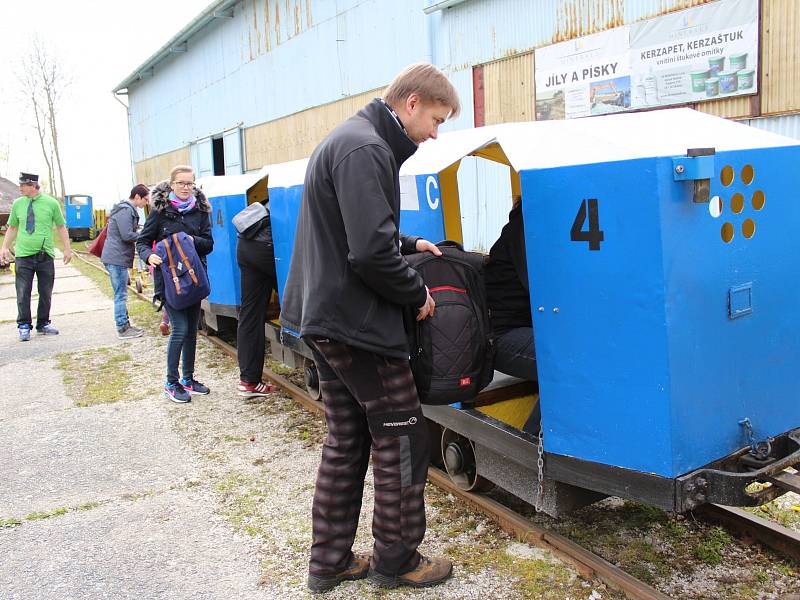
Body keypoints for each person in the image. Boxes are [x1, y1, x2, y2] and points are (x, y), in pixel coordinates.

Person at [280, 63, 460, 593]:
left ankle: (330, 562)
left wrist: (410, 245)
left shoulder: (352, 138)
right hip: (357, 325)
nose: (434, 133)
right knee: (403, 437)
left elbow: (360, 232)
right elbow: (368, 254)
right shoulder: (368, 149)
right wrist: (417, 292)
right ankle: (398, 560)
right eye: (435, 118)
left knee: (346, 441)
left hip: (328, 318)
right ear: (410, 103)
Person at [136, 165, 213, 403]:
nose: (185, 188)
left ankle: (188, 379)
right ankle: (171, 382)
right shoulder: (160, 211)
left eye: (190, 184)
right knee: (179, 328)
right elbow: (143, 241)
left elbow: (209, 243)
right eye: (181, 183)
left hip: (193, 279)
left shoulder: (200, 211)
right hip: (168, 280)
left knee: (191, 330)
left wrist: (192, 240)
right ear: (171, 185)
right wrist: (149, 256)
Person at [0, 172, 72, 341]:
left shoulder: (51, 203)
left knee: (45, 291)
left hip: (44, 255)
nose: (20, 188)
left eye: (23, 185)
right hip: (23, 255)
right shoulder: (18, 204)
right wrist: (4, 247)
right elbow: (12, 228)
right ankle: (24, 325)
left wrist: (67, 249)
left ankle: (43, 323)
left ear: (32, 186)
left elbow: (61, 227)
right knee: (23, 291)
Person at [484, 197, 537, 382]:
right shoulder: (527, 228)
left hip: (523, 326)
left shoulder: (531, 223)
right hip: (502, 334)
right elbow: (541, 291)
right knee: (575, 361)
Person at [235, 200, 277, 398]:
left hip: (247, 244)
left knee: (250, 314)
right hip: (266, 245)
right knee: (302, 298)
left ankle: (249, 382)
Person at [101, 184, 150, 339]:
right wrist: (145, 235)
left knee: (121, 292)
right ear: (137, 197)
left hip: (117, 256)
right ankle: (122, 328)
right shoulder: (126, 210)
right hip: (117, 257)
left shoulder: (125, 209)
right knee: (120, 294)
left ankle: (125, 325)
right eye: (145, 199)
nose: (146, 203)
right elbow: (126, 235)